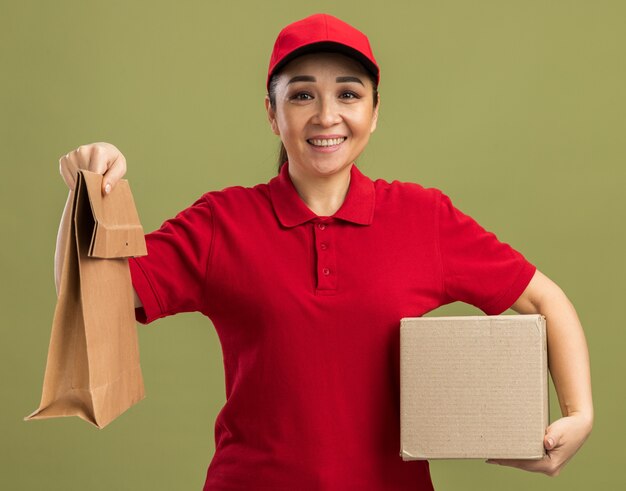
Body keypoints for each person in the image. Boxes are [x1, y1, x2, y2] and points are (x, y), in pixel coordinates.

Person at [56, 13, 593, 491]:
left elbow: (545, 301)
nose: (326, 115)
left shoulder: (422, 217)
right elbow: (94, 300)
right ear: (272, 112)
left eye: (349, 93)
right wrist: (87, 191)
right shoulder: (224, 221)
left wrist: (580, 413)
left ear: (375, 111)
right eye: (302, 94)